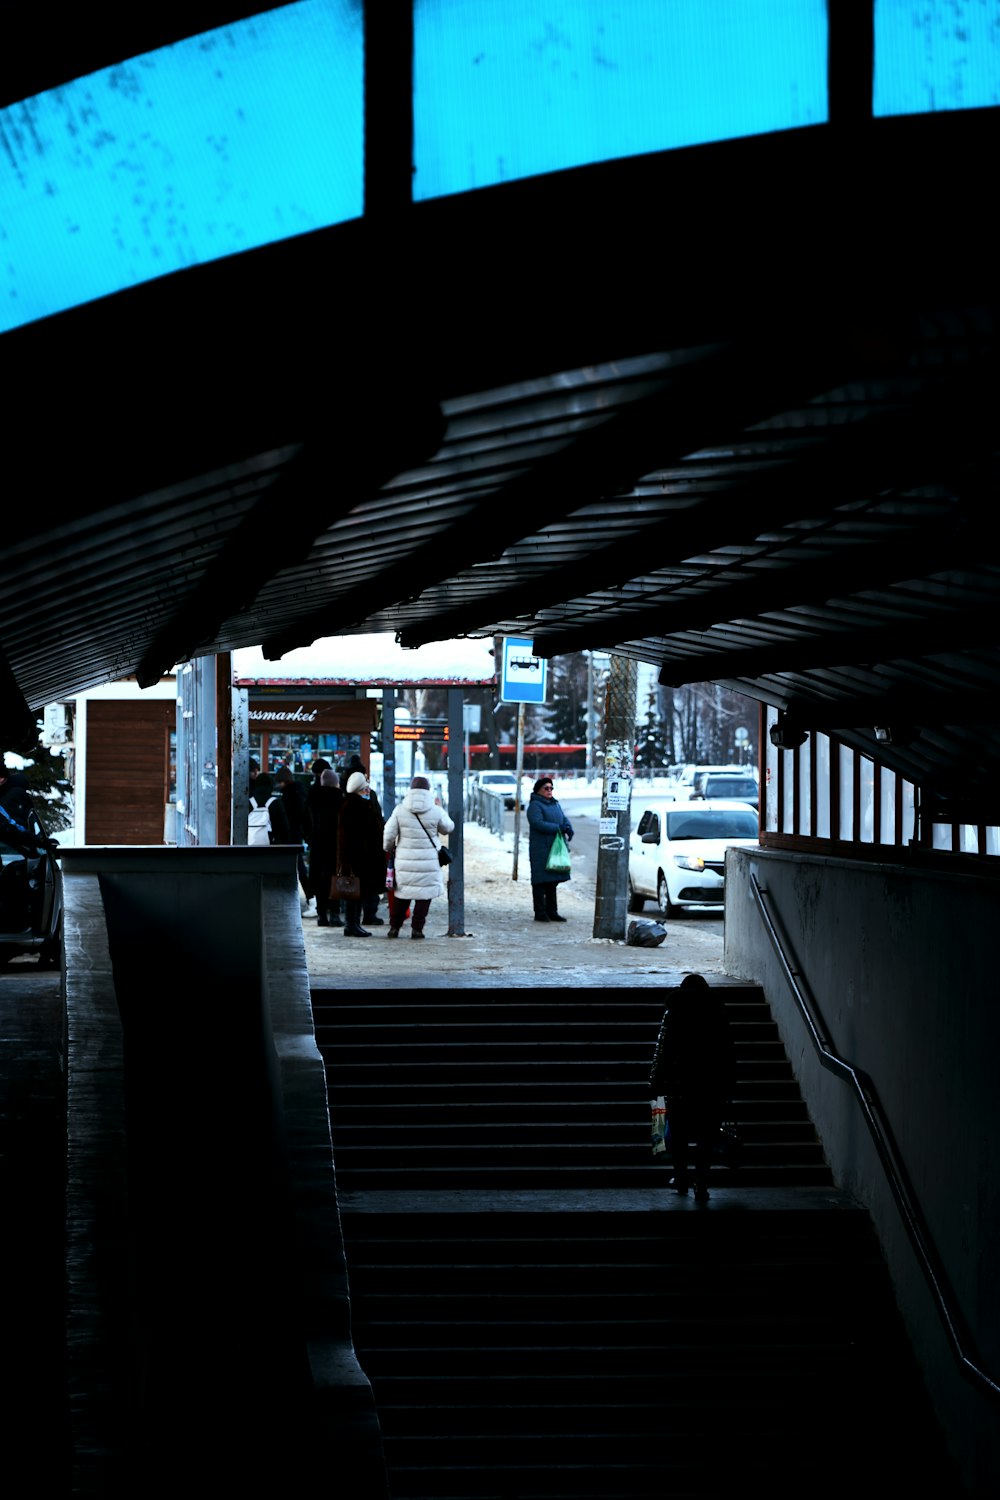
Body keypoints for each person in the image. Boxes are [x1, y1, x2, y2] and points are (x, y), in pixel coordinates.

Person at [649, 973, 737, 1202]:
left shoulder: (673, 1012)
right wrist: (729, 1084)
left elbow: (662, 1049)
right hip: (710, 1085)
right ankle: (701, 1182)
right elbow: (727, 1053)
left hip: (679, 1085)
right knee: (706, 1137)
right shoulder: (717, 1013)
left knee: (678, 1135)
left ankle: (680, 1177)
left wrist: (656, 1080)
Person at [381, 775, 454, 939]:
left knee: (401, 895)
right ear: (428, 790)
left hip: (404, 859)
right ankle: (417, 929)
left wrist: (389, 848)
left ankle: (395, 927)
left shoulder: (400, 810)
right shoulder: (435, 810)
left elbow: (388, 834)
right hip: (429, 861)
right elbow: (448, 828)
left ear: (411, 790)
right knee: (424, 896)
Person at [336, 771, 387, 937]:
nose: (368, 792)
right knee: (354, 893)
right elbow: (358, 834)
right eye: (365, 789)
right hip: (357, 856)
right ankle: (352, 924)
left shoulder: (353, 805)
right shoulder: (356, 807)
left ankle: (354, 924)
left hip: (358, 855)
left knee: (357, 892)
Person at [526, 775, 574, 922]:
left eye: (551, 788)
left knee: (552, 881)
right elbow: (537, 823)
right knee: (540, 881)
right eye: (546, 788)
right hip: (541, 848)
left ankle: (552, 911)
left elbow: (563, 818)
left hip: (555, 847)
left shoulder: (554, 804)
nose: (549, 790)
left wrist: (568, 827)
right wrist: (557, 828)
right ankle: (540, 912)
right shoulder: (535, 806)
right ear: (538, 790)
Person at [307, 770, 344, 927]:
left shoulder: (312, 797)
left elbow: (306, 822)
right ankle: (334, 914)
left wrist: (310, 838)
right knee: (334, 878)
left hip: (317, 845)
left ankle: (321, 914)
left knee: (319, 880)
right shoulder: (339, 798)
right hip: (334, 845)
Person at [274, 765, 310, 904]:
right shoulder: (299, 791)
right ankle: (309, 896)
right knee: (299, 866)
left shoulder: (289, 795)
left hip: (291, 835)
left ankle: (309, 896)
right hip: (296, 834)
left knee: (297, 866)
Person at [248, 772, 291, 846]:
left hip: (250, 844)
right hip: (272, 846)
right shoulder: (275, 802)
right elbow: (284, 827)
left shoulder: (249, 802)